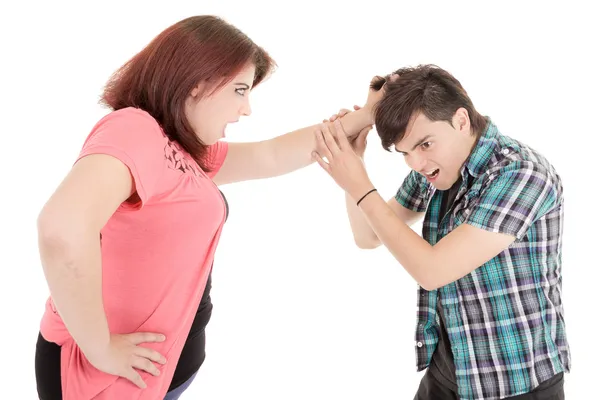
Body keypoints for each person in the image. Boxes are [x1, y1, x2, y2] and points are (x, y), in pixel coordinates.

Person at [34, 15, 378, 400]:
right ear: (198, 82)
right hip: (106, 378)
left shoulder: (181, 148)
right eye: (240, 90)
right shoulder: (133, 129)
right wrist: (100, 349)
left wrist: (366, 116)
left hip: (166, 369)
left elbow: (272, 156)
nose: (246, 108)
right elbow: (61, 230)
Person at [313, 65, 570, 399]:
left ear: (461, 121)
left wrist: (361, 187)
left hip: (516, 383)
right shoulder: (435, 168)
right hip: (451, 372)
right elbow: (368, 236)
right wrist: (356, 166)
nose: (416, 163)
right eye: (405, 153)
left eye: (424, 144)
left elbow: (433, 271)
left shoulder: (522, 174)